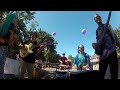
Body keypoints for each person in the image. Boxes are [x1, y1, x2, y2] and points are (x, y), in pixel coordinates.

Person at [92, 13, 120, 79]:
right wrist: (95, 45)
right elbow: (99, 42)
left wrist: (119, 44)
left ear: (101, 18)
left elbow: (114, 36)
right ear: (95, 20)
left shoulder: (107, 25)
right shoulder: (97, 31)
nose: (98, 18)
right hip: (103, 56)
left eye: (99, 17)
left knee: (114, 74)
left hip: (111, 51)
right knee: (100, 75)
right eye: (96, 17)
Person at [0, 13, 17, 79]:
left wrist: (12, 36)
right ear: (11, 18)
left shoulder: (13, 28)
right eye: (14, 18)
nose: (15, 19)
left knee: (2, 65)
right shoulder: (2, 23)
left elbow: (10, 44)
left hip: (5, 47)